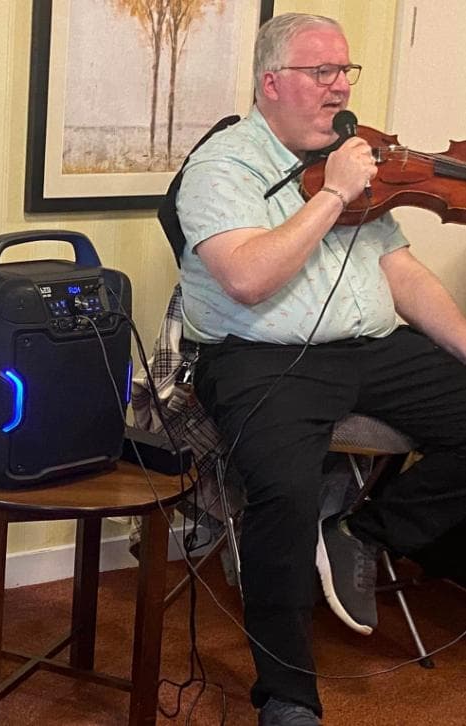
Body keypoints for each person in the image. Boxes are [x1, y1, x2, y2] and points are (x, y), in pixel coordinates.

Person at [175, 12, 466, 726]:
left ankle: (365, 534)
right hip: (260, 356)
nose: (339, 87)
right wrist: (333, 194)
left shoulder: (358, 158)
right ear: (272, 82)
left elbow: (400, 271)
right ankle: (286, 696)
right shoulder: (221, 169)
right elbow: (247, 278)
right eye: (321, 72)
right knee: (282, 493)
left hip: (370, 346)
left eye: (344, 71)